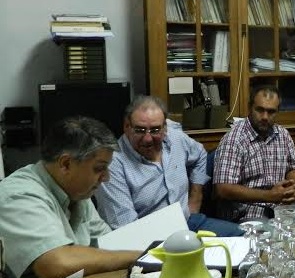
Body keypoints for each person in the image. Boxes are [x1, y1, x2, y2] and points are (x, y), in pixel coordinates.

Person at [0, 116, 140, 278]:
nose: (106, 177)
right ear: (66, 164)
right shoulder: (18, 196)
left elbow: (108, 245)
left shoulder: (76, 191)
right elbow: (56, 264)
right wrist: (139, 256)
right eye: (99, 168)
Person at [95, 95, 242, 236]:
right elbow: (127, 230)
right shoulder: (112, 165)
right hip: (149, 237)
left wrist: (195, 197)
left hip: (188, 222)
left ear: (164, 127)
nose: (148, 138)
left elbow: (200, 154)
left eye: (155, 130)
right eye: (140, 130)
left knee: (245, 236)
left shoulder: (175, 138)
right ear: (127, 127)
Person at [213, 85, 295, 223]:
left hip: (282, 207)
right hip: (248, 212)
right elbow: (223, 188)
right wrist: (269, 196)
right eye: (260, 110)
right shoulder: (234, 139)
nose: (265, 117)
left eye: (271, 112)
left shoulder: (283, 134)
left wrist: (289, 188)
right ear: (250, 108)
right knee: (273, 236)